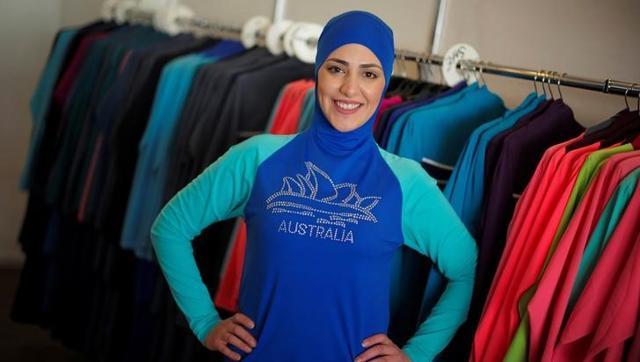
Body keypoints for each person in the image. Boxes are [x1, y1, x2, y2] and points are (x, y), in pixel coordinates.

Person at [151, 10, 477, 362]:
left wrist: (418, 354)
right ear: (317, 71)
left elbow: (464, 269)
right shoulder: (257, 158)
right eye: (337, 68)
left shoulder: (405, 183)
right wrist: (205, 322)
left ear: (383, 83)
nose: (350, 88)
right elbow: (169, 229)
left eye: (368, 73)